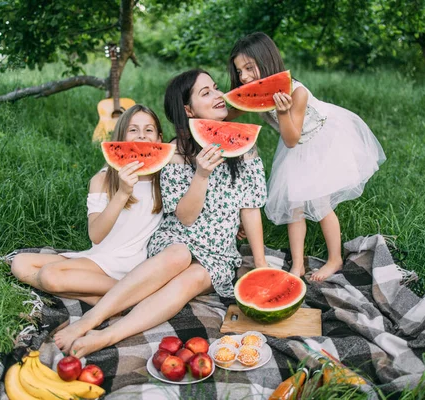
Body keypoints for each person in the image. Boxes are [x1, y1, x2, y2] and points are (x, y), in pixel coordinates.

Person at [53, 69, 268, 357]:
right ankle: (91, 320)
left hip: (219, 253)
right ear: (188, 110)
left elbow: (250, 210)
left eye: (215, 88)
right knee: (179, 254)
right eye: (206, 93)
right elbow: (186, 217)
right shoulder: (176, 152)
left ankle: (107, 336)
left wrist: (261, 264)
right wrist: (201, 175)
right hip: (175, 238)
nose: (218, 95)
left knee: (191, 279)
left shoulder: (246, 148)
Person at [227, 32, 386, 281]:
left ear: (267, 61)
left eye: (249, 68)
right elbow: (230, 111)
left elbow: (291, 138)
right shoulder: (254, 92)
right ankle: (298, 265)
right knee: (295, 206)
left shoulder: (296, 93)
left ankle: (335, 258)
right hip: (297, 144)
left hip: (319, 141)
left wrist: (281, 112)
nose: (244, 76)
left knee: (321, 204)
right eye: (239, 71)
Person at [11, 105, 164, 305]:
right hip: (99, 257)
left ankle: (126, 291)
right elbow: (96, 235)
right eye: (133, 130)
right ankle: (115, 299)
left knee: (50, 276)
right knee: (20, 263)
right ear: (119, 139)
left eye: (149, 130)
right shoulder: (102, 180)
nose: (142, 136)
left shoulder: (164, 180)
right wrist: (123, 193)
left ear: (160, 139)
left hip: (129, 265)